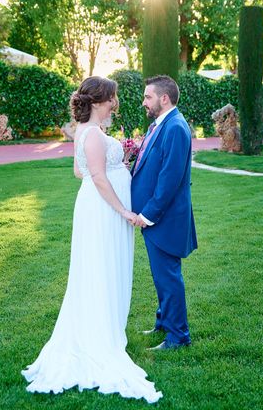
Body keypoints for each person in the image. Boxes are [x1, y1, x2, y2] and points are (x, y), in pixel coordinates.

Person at [21, 76, 162, 404]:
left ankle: (103, 328)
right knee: (102, 269)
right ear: (100, 101)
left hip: (94, 207)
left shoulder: (84, 132)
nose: (116, 103)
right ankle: (101, 339)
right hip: (103, 212)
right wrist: (123, 211)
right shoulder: (93, 134)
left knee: (100, 268)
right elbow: (95, 176)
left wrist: (116, 167)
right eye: (112, 98)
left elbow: (79, 171)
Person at [131, 75, 198, 350]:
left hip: (164, 219)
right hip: (157, 220)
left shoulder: (175, 128)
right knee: (161, 276)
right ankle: (163, 322)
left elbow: (169, 180)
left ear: (164, 98)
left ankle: (178, 336)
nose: (144, 101)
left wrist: (147, 215)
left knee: (168, 277)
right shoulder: (160, 125)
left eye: (148, 96)